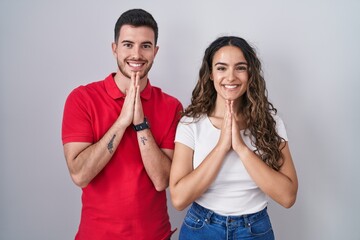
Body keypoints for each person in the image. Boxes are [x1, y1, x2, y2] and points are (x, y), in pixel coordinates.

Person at [61, 9, 182, 240]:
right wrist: (121, 122)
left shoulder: (171, 106)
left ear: (155, 52)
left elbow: (162, 181)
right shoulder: (82, 99)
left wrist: (140, 124)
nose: (136, 54)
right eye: (128, 44)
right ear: (114, 48)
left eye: (146, 46)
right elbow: (80, 175)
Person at [169, 36, 298, 240]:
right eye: (221, 68)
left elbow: (288, 196)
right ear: (210, 74)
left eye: (240, 67)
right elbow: (179, 198)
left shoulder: (271, 122)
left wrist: (240, 147)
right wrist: (222, 147)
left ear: (250, 73)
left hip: (254, 229)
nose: (231, 77)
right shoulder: (191, 123)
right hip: (202, 228)